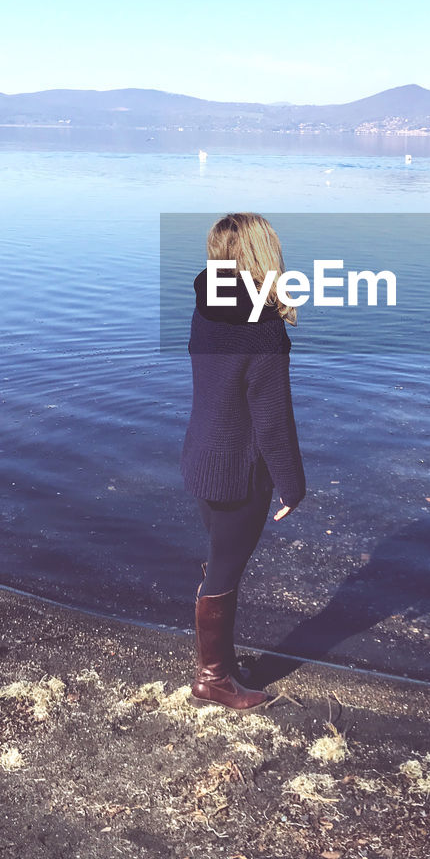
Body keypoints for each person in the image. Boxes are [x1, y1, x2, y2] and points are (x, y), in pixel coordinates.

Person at [180, 212, 307, 711]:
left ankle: (222, 665)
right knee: (225, 571)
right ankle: (213, 680)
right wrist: (292, 485)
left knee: (218, 562)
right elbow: (272, 420)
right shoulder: (264, 329)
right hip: (238, 470)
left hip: (200, 457)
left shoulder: (205, 308)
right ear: (263, 254)